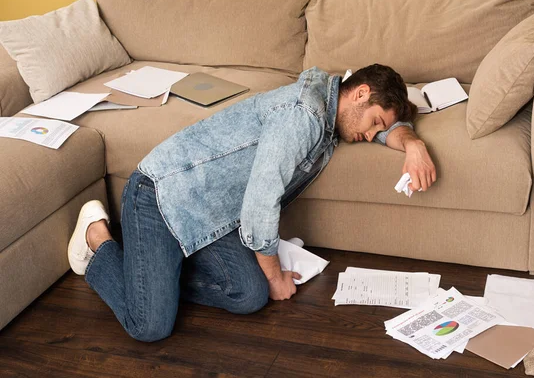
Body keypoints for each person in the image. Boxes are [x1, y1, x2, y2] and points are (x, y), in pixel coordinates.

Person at [67, 64, 437, 342]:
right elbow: (260, 204)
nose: (370, 134)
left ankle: (153, 272)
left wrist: (413, 144)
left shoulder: (333, 109)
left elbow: (389, 127)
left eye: (377, 128)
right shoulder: (303, 115)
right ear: (360, 93)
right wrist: (275, 276)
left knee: (248, 294)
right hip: (162, 199)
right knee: (149, 326)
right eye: (373, 122)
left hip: (212, 218)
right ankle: (98, 239)